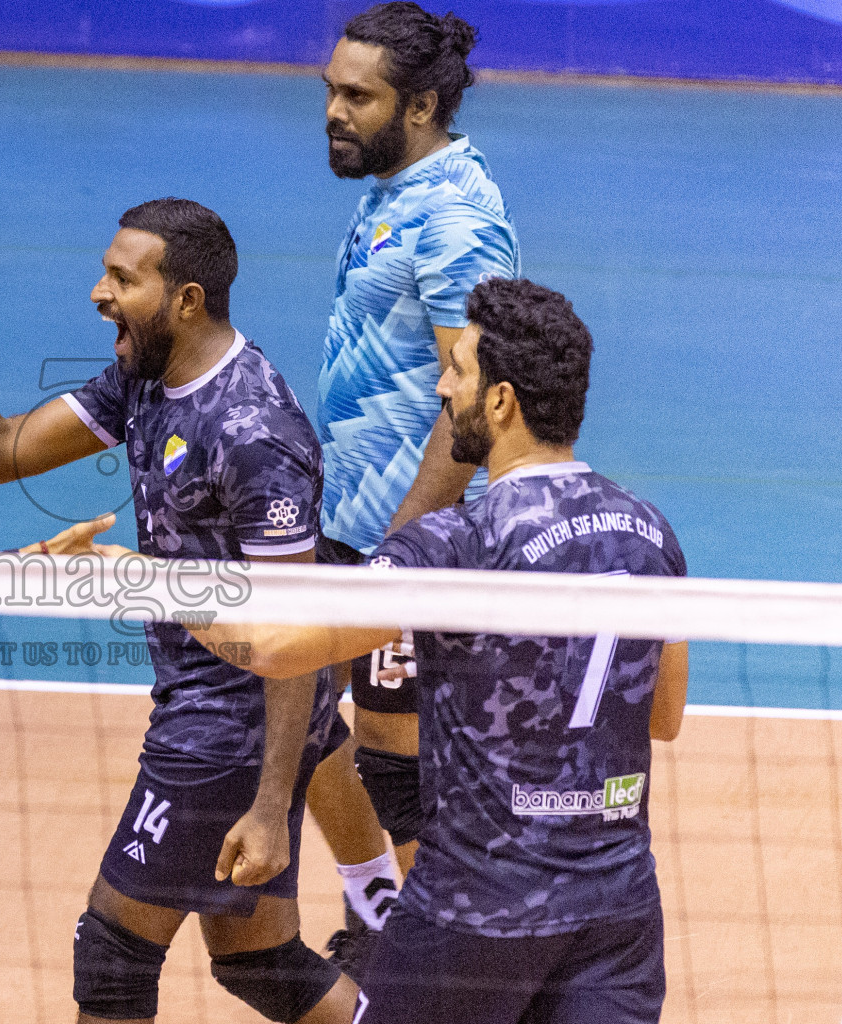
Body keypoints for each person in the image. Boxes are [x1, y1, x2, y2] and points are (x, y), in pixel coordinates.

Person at [0, 199, 362, 1023]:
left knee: (115, 956)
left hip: (229, 726)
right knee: (262, 964)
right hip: (210, 708)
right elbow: (6, 447)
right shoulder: (146, 376)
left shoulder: (254, 431)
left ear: (186, 299)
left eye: (123, 279)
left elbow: (300, 633)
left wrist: (270, 804)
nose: (98, 292)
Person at [135, 276, 684, 1023]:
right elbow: (663, 714)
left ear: (502, 401)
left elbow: (273, 649)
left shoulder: (454, 544)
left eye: (458, 368)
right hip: (617, 914)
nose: (442, 383)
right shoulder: (649, 532)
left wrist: (145, 580)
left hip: (474, 916)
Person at [303, 0, 523, 962]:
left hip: (411, 536)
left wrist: (404, 550)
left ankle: (436, 965)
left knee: (404, 774)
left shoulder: (458, 219)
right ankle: (381, 908)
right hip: (349, 522)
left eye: (359, 96)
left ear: (423, 104)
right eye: (331, 91)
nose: (334, 112)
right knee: (305, 720)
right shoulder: (394, 190)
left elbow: (472, 406)